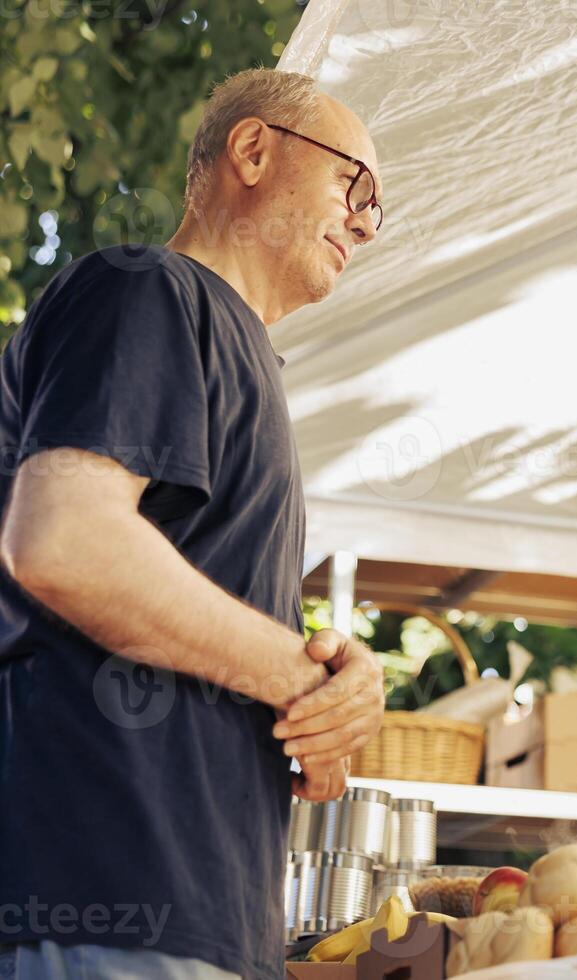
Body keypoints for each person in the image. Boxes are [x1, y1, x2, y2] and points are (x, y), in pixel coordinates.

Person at [0, 70, 387, 979]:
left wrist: (335, 684)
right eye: (353, 185)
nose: (367, 223)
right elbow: (65, 541)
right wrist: (302, 681)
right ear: (254, 151)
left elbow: (207, 615)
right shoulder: (148, 291)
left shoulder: (237, 348)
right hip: (108, 901)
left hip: (196, 918)